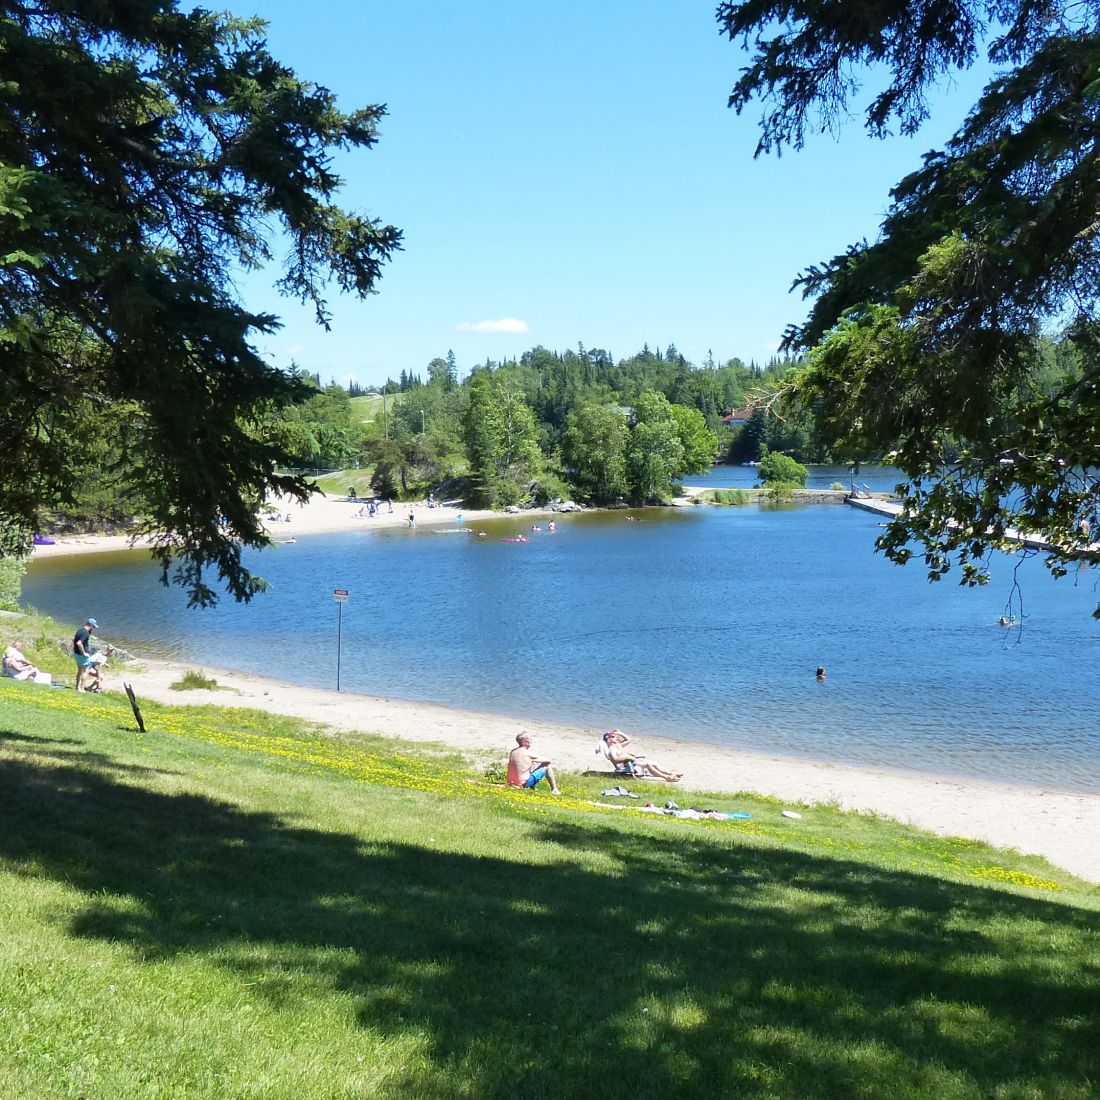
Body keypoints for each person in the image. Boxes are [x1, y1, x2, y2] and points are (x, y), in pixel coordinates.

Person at [603, 729, 681, 782]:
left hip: (632, 761)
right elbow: (615, 759)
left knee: (654, 763)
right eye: (613, 737)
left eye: (615, 736)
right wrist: (627, 758)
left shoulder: (618, 745)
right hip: (627, 764)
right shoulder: (612, 749)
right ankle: (666, 777)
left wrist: (619, 732)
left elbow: (629, 739)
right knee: (648, 764)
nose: (615, 737)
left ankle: (671, 773)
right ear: (608, 739)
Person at [73, 617, 98, 691]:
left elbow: (74, 641)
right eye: (93, 627)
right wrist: (84, 653)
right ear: (90, 625)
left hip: (77, 654)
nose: (93, 629)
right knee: (86, 671)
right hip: (82, 655)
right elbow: (79, 643)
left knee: (79, 671)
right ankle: (82, 688)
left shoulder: (80, 630)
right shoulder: (86, 633)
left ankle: (77, 687)